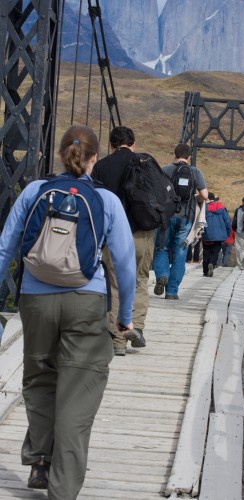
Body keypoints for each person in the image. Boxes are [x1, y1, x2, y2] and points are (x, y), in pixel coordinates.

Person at [0, 125, 136, 499]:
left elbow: (4, 250)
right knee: (78, 391)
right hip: (86, 301)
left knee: (40, 378)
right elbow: (124, 264)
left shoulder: (33, 191)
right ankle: (62, 490)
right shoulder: (107, 201)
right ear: (94, 159)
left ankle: (41, 460)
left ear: (60, 155)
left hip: (35, 299)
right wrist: (125, 316)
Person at [93, 125, 154, 355]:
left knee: (115, 284)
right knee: (139, 280)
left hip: (113, 235)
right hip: (141, 233)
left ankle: (118, 341)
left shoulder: (101, 167)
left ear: (111, 145)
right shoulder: (146, 163)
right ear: (134, 144)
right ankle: (136, 327)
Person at [153, 143, 208, 299]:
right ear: (189, 156)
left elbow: (156, 193)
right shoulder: (195, 172)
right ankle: (171, 291)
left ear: (174, 154)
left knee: (162, 249)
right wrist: (193, 200)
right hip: (186, 218)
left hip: (167, 217)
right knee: (180, 253)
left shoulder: (164, 170)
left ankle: (162, 275)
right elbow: (204, 195)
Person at [202, 192, 231, 277]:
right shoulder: (221, 208)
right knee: (215, 252)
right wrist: (227, 233)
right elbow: (227, 221)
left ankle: (205, 271)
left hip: (206, 234)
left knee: (206, 252)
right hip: (219, 235)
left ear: (207, 198)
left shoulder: (204, 208)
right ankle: (212, 263)